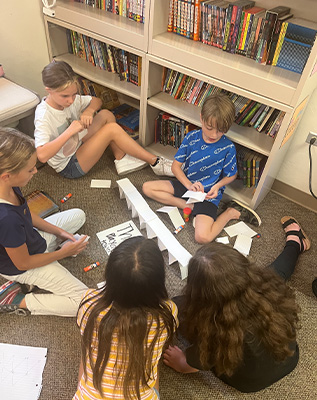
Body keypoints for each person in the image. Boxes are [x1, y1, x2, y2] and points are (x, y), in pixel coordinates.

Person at [163, 217, 311, 393]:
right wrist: (293, 245)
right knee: (278, 271)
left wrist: (182, 362)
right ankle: (296, 243)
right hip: (290, 359)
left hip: (247, 381)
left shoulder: (216, 329)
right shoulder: (268, 284)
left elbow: (200, 361)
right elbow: (283, 267)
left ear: (200, 292)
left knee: (176, 307)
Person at [142, 93, 261, 244]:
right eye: (209, 127)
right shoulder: (191, 137)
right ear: (201, 118)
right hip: (187, 185)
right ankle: (188, 206)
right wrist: (188, 185)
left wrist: (217, 186)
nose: (214, 134)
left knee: (202, 238)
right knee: (147, 188)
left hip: (208, 196)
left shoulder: (228, 147)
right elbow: (175, 167)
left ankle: (230, 213)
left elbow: (231, 175)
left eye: (220, 130)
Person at [74, 236, 178, 400]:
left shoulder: (89, 303)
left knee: (88, 349)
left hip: (87, 396)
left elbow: (86, 347)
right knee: (151, 369)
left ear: (110, 275)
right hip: (141, 396)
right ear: (158, 282)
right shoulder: (167, 313)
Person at [0, 127, 88, 316]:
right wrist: (63, 253)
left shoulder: (9, 186)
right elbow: (24, 263)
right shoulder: (6, 219)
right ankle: (19, 300)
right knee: (85, 302)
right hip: (22, 265)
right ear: (6, 175)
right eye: (30, 169)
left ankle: (53, 246)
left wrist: (60, 233)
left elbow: (26, 214)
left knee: (79, 215)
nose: (35, 172)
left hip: (31, 240)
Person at [34, 60, 173, 179]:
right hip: (69, 165)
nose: (70, 100)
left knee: (106, 114)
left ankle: (121, 158)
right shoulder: (43, 116)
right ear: (49, 90)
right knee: (111, 130)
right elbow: (42, 156)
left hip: (78, 142)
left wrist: (89, 110)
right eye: (65, 96)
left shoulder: (71, 99)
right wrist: (69, 132)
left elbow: (97, 101)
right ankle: (155, 162)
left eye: (74, 94)